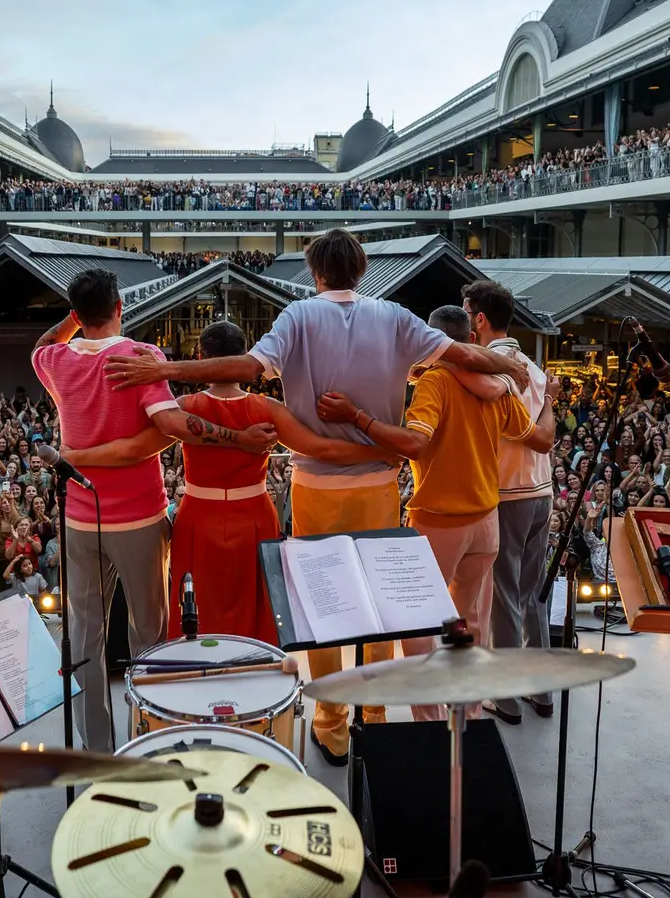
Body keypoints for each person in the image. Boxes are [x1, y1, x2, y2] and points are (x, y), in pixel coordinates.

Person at [105, 228, 527, 764]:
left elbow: (245, 369)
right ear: (362, 268)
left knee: (324, 608)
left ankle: (332, 722)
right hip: (378, 482)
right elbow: (464, 354)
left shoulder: (298, 317)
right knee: (379, 608)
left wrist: (165, 369)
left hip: (315, 486)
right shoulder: (396, 317)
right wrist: (510, 365)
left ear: (315, 273)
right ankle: (374, 714)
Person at [33, 268, 278, 751]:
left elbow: (45, 340)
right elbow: (173, 423)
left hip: (79, 520)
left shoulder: (53, 360)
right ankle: (153, 739)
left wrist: (75, 315)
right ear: (120, 307)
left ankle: (98, 750)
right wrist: (240, 439)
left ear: (78, 316)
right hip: (138, 519)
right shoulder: (139, 357)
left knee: (83, 638)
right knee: (149, 635)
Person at [66, 319, 399, 644]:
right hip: (254, 515)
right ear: (241, 358)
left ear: (200, 357)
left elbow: (135, 449)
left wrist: (75, 456)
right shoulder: (268, 409)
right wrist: (379, 451)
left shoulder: (185, 407)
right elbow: (322, 448)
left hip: (199, 517)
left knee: (197, 612)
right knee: (256, 611)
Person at [318, 304, 555, 721]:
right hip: (487, 521)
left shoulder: (437, 383)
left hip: (439, 520)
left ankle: (428, 722)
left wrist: (355, 416)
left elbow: (414, 444)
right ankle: (467, 713)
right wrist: (549, 399)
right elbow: (541, 440)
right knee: (472, 622)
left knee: (417, 623)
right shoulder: (498, 386)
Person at [461, 281, 556, 724]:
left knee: (504, 596)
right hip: (542, 491)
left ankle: (507, 698)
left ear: (479, 319)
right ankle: (540, 690)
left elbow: (490, 399)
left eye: (466, 316)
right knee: (532, 594)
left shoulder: (498, 369)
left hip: (508, 492)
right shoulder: (535, 368)